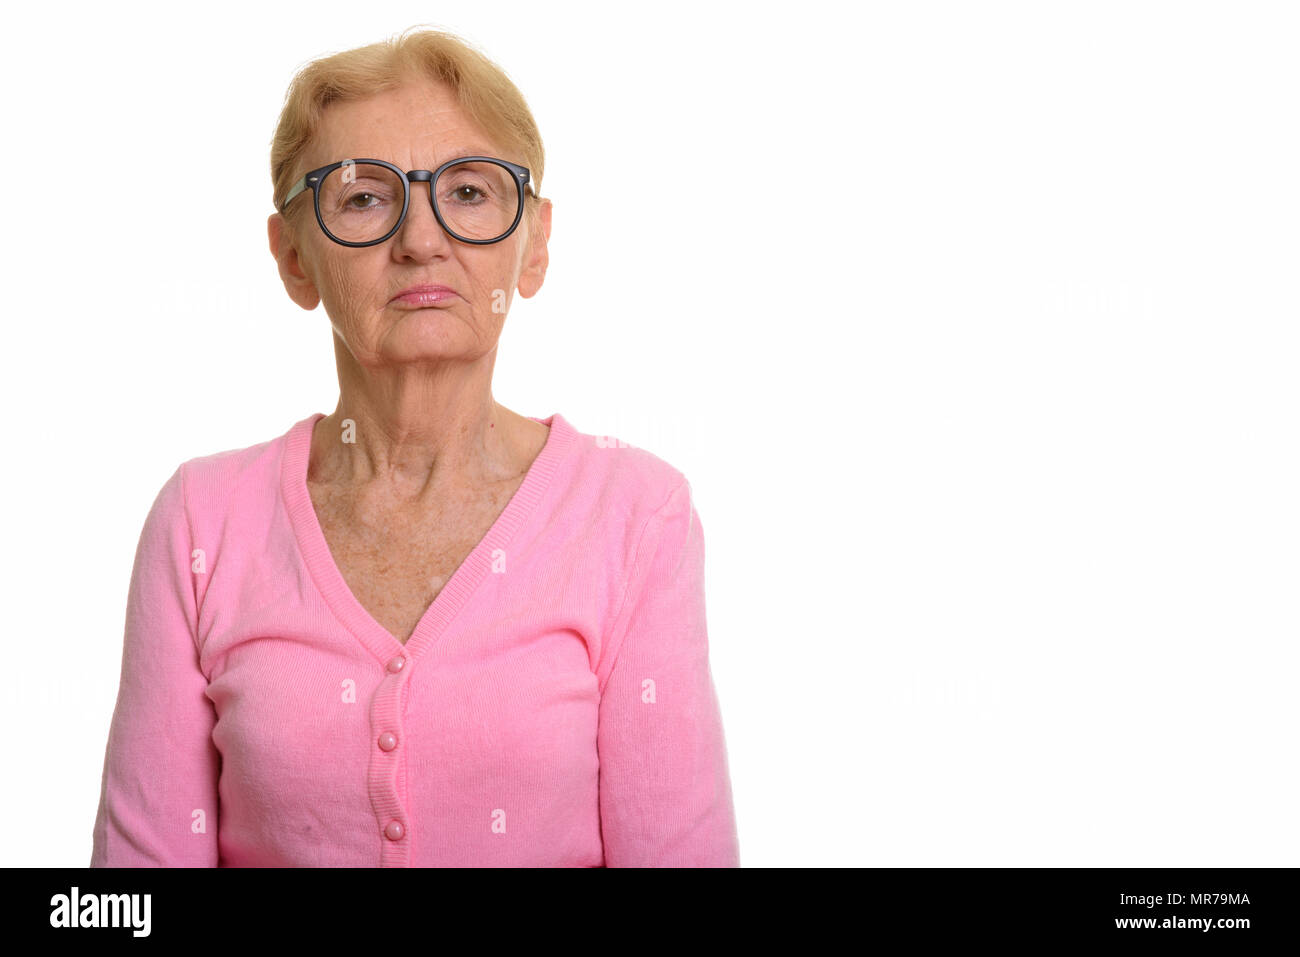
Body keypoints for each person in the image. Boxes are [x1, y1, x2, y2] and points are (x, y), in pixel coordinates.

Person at [89, 26, 739, 867]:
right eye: (363, 198)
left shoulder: (638, 513)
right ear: (294, 258)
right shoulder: (200, 522)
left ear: (533, 244)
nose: (421, 239)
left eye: (469, 192)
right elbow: (132, 889)